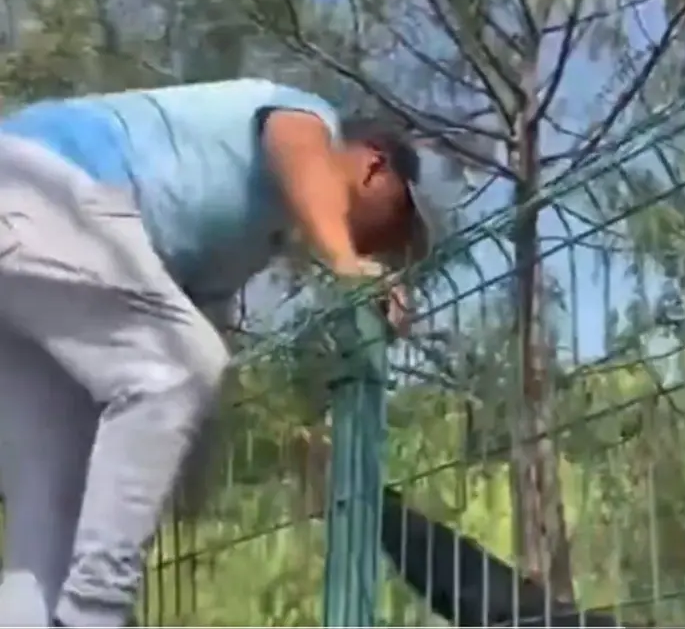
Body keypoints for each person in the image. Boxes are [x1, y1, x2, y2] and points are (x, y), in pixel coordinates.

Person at [0, 78, 434, 627]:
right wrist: (346, 264)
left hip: (28, 245)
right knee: (176, 368)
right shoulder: (308, 116)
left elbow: (188, 318)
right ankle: (95, 613)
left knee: (55, 489)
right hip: (43, 182)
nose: (395, 245)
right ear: (375, 166)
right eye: (402, 219)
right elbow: (294, 146)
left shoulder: (248, 235)